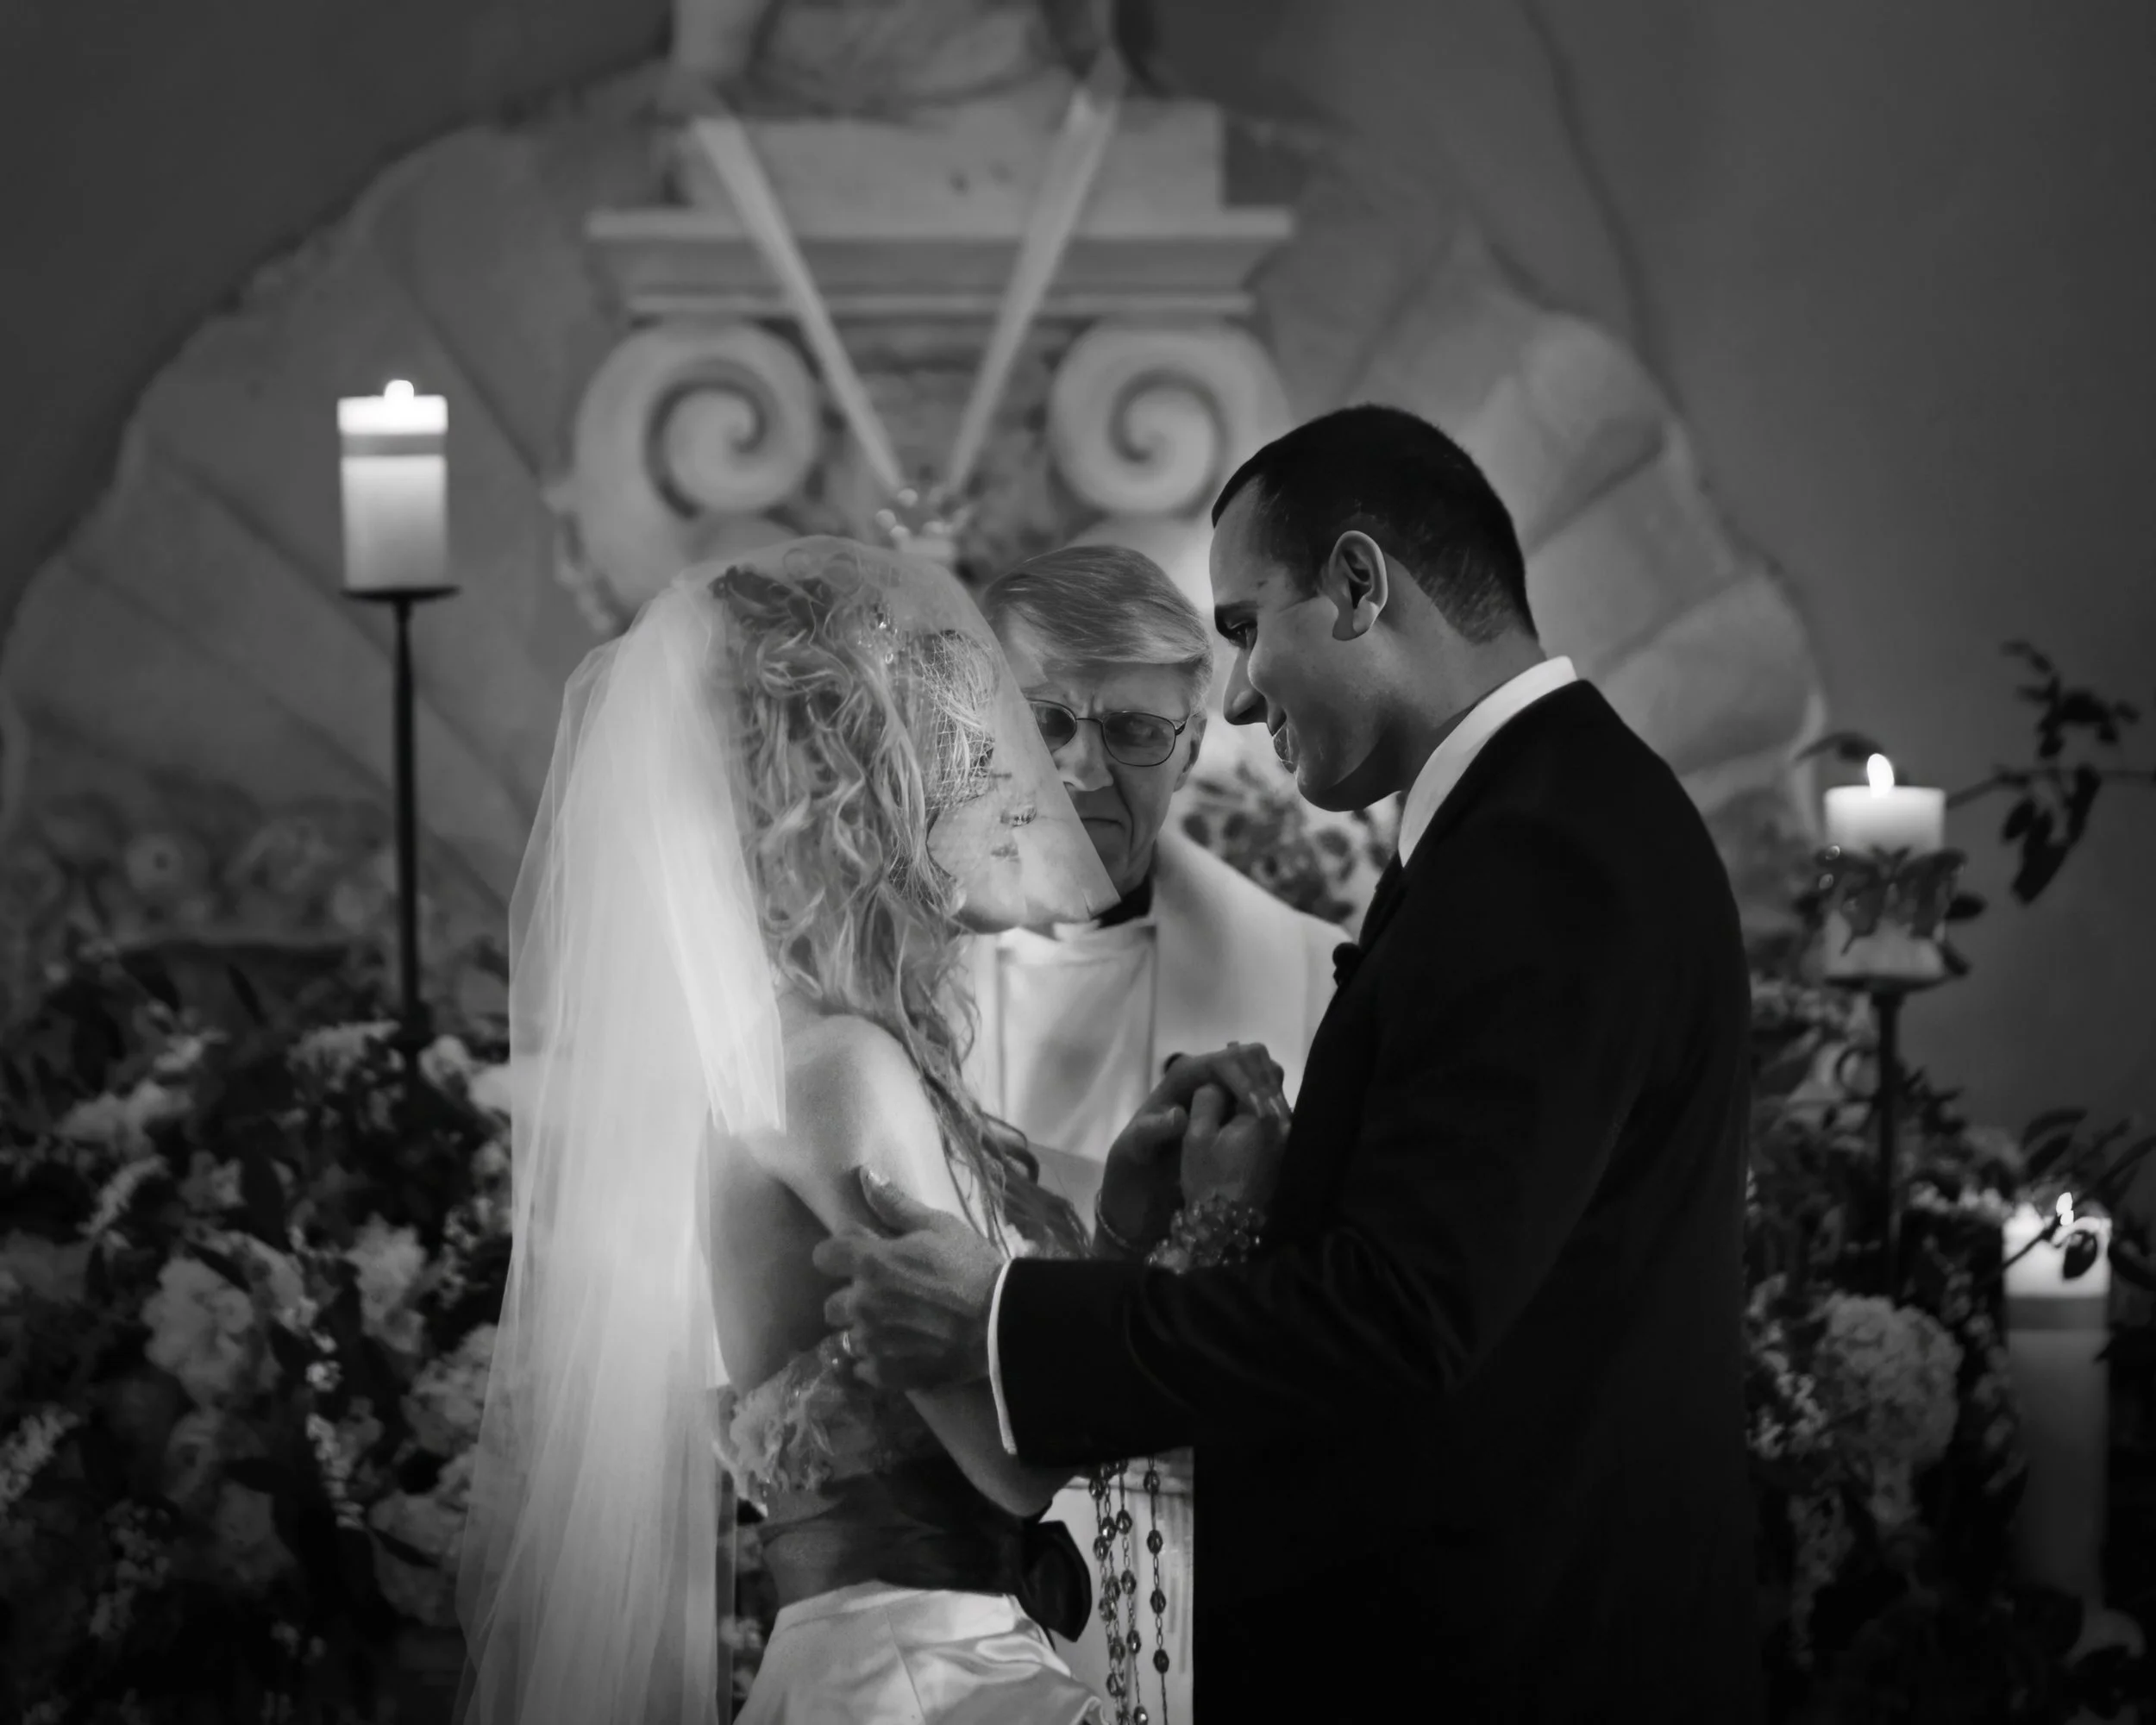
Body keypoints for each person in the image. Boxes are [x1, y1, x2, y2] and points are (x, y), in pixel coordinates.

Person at [816, 406, 1764, 1721]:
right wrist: (1248, 1203)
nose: (1245, 693)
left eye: (1249, 627)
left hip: (1524, 1655)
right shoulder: (1538, 820)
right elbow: (1468, 1254)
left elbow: (1403, 1314)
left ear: (1361, 585)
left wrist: (996, 1316)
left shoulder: (1541, 858)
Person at [457, 537, 1146, 1724]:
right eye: (966, 754)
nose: (1015, 791)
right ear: (864, 797)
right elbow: (1013, 1464)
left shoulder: (812, 1055)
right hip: (924, 1678)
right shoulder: (837, 1075)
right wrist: (1189, 1292)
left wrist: (1124, 1212)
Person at [962, 543, 1341, 1713]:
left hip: (1216, 1577)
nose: (1083, 768)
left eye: (1132, 732)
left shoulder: (1316, 979)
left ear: (1189, 744)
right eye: (1046, 720)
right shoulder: (890, 977)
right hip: (945, 1566)